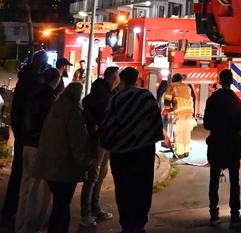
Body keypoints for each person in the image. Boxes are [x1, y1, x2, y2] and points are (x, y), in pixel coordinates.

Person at [99, 67, 163, 233]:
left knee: (124, 189)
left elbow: (108, 127)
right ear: (136, 79)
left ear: (122, 80)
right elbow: (157, 123)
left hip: (122, 154)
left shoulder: (116, 99)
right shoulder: (147, 96)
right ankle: (140, 224)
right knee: (143, 187)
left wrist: (107, 144)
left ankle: (127, 225)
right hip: (144, 152)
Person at [34, 82, 97, 233]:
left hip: (50, 165)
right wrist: (89, 161)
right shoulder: (74, 114)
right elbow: (78, 143)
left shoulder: (54, 111)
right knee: (63, 206)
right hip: (65, 167)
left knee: (58, 204)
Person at [2, 49, 50, 229]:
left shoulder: (23, 79)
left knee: (18, 174)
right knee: (30, 178)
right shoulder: (36, 82)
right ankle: (25, 216)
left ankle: (11, 210)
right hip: (30, 135)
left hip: (21, 132)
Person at [14, 66, 62, 233]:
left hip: (27, 144)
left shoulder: (33, 94)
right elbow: (48, 125)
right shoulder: (49, 97)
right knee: (37, 192)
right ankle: (30, 228)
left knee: (25, 189)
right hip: (39, 146)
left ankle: (20, 226)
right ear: (55, 80)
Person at [204, 69, 241, 229]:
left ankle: (214, 215)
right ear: (231, 81)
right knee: (234, 181)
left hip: (215, 143)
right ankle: (234, 216)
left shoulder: (212, 99)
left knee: (214, 180)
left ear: (220, 81)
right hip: (232, 144)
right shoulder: (236, 100)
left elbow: (207, 124)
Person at [80, 65, 119, 227]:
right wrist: (93, 125)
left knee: (101, 175)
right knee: (93, 175)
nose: (118, 80)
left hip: (107, 139)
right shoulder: (100, 93)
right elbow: (85, 105)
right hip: (98, 140)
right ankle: (85, 213)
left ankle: (95, 207)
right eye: (116, 77)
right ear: (112, 78)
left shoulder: (111, 93)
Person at [164, 73, 195, 159]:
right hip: (189, 111)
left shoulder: (172, 86)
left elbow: (167, 99)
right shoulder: (187, 86)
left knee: (179, 131)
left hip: (179, 111)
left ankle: (179, 153)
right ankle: (186, 151)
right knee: (186, 131)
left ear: (173, 80)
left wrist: (167, 109)